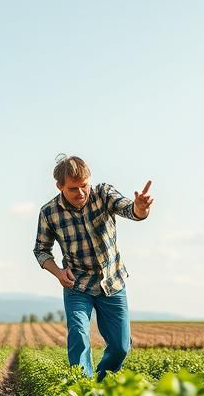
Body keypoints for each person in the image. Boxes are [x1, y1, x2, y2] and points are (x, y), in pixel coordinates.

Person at [33, 155, 153, 379]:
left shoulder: (103, 193)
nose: (80, 193)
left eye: (84, 186)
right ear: (59, 186)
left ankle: (99, 387)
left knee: (121, 347)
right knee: (78, 336)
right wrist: (58, 273)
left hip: (112, 282)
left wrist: (140, 208)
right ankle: (82, 389)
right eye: (72, 189)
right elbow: (41, 250)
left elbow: (130, 210)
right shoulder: (49, 213)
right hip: (77, 285)